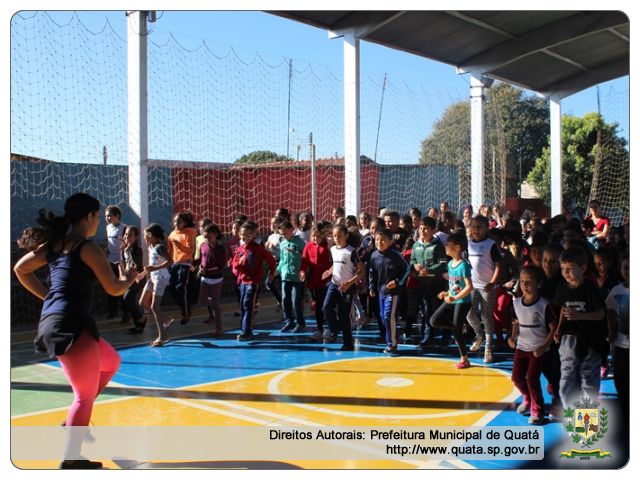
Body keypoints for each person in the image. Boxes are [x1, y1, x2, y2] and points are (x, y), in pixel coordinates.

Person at [14, 193, 136, 469]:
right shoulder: (88, 248)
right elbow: (114, 289)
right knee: (83, 396)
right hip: (70, 325)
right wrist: (128, 279)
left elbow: (21, 269)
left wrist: (48, 298)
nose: (99, 220)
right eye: (98, 215)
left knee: (111, 362)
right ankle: (71, 459)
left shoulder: (56, 245)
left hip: (60, 321)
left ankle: (75, 421)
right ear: (89, 216)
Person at [552, 246, 607, 408]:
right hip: (569, 339)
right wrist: (559, 328)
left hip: (591, 340)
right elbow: (563, 309)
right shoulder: (561, 288)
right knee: (566, 379)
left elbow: (601, 313)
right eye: (563, 268)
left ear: (583, 268)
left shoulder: (591, 289)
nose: (565, 273)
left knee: (588, 381)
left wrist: (580, 316)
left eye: (569, 269)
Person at [508, 266, 557, 425]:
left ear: (539, 284)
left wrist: (544, 346)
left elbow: (554, 328)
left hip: (538, 349)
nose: (524, 285)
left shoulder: (543, 305)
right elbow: (516, 322)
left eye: (529, 281)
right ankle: (527, 398)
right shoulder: (516, 303)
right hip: (521, 347)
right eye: (522, 281)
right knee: (516, 378)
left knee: (532, 379)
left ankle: (538, 410)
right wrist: (513, 337)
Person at [426, 231, 473, 368]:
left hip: (462, 301)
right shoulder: (451, 263)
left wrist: (454, 298)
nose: (445, 246)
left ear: (457, 247)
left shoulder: (463, 265)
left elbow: (469, 287)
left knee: (456, 331)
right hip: (452, 299)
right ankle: (457, 327)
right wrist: (447, 292)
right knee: (434, 321)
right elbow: (455, 285)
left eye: (448, 244)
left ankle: (464, 359)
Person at [321, 225, 365, 351]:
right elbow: (336, 264)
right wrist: (329, 272)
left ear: (346, 236)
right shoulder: (333, 249)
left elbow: (361, 270)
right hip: (334, 284)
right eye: (335, 236)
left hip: (347, 287)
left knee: (344, 314)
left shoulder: (351, 251)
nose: (337, 238)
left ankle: (348, 342)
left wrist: (349, 283)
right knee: (326, 306)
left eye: (339, 236)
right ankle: (335, 328)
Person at [369, 228, 411, 354]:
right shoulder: (374, 255)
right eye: (377, 239)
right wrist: (371, 287)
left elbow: (407, 270)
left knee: (388, 315)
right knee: (383, 317)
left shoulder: (395, 255)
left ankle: (392, 344)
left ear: (390, 241)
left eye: (383, 240)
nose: (379, 242)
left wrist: (397, 282)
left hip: (393, 293)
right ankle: (394, 337)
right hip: (381, 291)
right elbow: (371, 272)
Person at [466, 215, 502, 363]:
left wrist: (493, 282)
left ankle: (489, 347)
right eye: (474, 227)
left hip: (487, 287)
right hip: (472, 286)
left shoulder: (490, 244)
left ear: (486, 228)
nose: (476, 230)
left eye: (479, 227)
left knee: (486, 316)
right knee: (469, 313)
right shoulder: (468, 244)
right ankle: (479, 335)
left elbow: (498, 265)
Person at [232, 222, 276, 341]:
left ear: (253, 235)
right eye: (243, 234)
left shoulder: (257, 249)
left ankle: (247, 332)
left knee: (248, 306)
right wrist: (237, 267)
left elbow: (271, 260)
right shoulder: (240, 248)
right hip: (242, 282)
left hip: (252, 282)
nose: (245, 237)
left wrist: (272, 273)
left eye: (248, 234)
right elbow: (234, 264)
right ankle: (244, 329)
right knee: (242, 306)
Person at [411, 216, 448, 347]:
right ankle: (428, 336)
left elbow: (443, 263)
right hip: (423, 284)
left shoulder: (438, 245)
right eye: (421, 228)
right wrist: (414, 266)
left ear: (433, 230)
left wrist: (429, 270)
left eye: (426, 228)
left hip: (437, 284)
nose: (422, 231)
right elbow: (412, 260)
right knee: (426, 309)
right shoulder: (416, 245)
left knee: (439, 310)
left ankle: (446, 335)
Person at [140, 223, 174, 347]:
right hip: (153, 277)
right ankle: (166, 319)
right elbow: (153, 264)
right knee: (143, 302)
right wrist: (143, 274)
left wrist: (154, 268)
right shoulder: (151, 246)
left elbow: (170, 261)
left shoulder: (160, 247)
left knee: (155, 306)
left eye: (145, 235)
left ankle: (162, 336)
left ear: (150, 235)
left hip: (161, 278)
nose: (144, 237)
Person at [605, 255, 629, 425]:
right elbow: (610, 310)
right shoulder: (616, 291)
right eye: (625, 268)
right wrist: (612, 330)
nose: (629, 271)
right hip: (621, 344)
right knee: (620, 379)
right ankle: (625, 410)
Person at [301, 225, 333, 341]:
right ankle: (319, 329)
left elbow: (332, 262)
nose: (316, 239)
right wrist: (302, 272)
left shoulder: (327, 246)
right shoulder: (308, 246)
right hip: (313, 281)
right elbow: (304, 261)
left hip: (326, 281)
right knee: (318, 306)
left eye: (318, 236)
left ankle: (330, 328)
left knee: (326, 305)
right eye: (314, 236)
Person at [166, 212, 197, 325]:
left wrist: (180, 245)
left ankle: (185, 312)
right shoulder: (172, 234)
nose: (176, 224)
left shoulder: (189, 232)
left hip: (185, 264)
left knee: (180, 287)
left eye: (179, 222)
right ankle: (186, 307)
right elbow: (169, 251)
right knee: (170, 286)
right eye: (175, 222)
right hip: (174, 264)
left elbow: (190, 250)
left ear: (185, 222)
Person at [278, 220, 307, 332]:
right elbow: (282, 259)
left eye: (285, 233)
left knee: (295, 300)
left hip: (296, 275)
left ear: (291, 230)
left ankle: (300, 323)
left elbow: (305, 257)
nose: (283, 236)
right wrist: (277, 270)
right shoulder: (282, 243)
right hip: (285, 275)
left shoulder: (299, 242)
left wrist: (296, 252)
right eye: (281, 234)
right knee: (285, 299)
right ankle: (289, 321)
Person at [198, 223, 226, 336]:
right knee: (202, 300)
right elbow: (201, 259)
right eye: (205, 237)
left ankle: (219, 329)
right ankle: (216, 304)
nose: (207, 239)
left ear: (215, 234)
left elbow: (221, 266)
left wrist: (208, 271)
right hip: (205, 279)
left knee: (215, 305)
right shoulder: (203, 245)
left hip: (216, 280)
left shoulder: (220, 248)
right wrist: (198, 266)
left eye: (209, 237)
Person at [119, 226, 146, 334]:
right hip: (128, 279)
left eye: (130, 235)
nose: (127, 237)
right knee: (128, 300)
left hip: (137, 279)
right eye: (126, 234)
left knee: (127, 298)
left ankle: (141, 319)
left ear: (136, 237)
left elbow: (136, 264)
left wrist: (129, 250)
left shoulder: (137, 250)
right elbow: (123, 263)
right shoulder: (123, 249)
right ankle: (138, 325)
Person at [104, 205, 127, 321]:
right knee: (110, 287)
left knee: (122, 288)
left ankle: (125, 313)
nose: (107, 218)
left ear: (117, 216)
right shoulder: (108, 227)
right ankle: (112, 311)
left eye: (109, 216)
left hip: (121, 263)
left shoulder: (124, 228)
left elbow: (128, 244)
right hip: (110, 262)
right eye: (106, 216)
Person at [264, 216, 283, 312]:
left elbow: (284, 250)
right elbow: (268, 250)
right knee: (268, 283)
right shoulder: (270, 237)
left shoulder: (281, 237)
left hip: (280, 262)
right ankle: (281, 301)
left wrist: (274, 248)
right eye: (271, 223)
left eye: (275, 223)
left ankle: (285, 305)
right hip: (273, 262)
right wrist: (267, 248)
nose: (272, 225)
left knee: (282, 284)